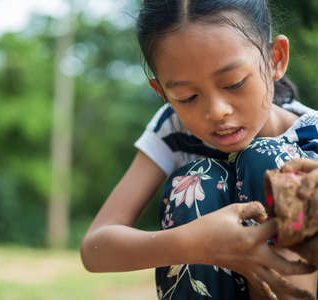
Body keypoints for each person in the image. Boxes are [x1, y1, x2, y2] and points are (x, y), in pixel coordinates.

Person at [80, 0, 318, 299]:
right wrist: (195, 242)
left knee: (269, 161)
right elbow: (95, 247)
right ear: (163, 93)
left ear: (276, 59)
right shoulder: (172, 130)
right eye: (188, 96)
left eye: (234, 83)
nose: (217, 111)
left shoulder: (312, 135)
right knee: (196, 181)